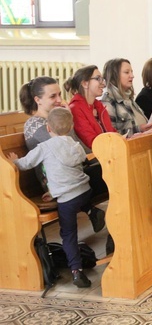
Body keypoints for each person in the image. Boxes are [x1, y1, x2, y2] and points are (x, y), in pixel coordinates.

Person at [9, 108, 101, 288]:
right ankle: (91, 210)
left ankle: (76, 271)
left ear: (48, 128)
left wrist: (13, 161)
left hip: (67, 198)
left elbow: (26, 164)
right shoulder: (75, 145)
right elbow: (81, 161)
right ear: (71, 126)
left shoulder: (44, 147)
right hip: (84, 190)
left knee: (68, 234)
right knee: (81, 198)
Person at [19, 76, 107, 235]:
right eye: (53, 96)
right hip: (58, 183)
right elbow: (67, 150)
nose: (59, 99)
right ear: (37, 99)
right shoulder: (35, 124)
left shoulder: (55, 119)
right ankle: (115, 233)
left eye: (60, 94)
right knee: (111, 172)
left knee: (111, 166)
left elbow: (81, 148)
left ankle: (115, 231)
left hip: (73, 176)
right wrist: (69, 120)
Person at [101, 58, 152, 137]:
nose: (132, 76)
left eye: (131, 72)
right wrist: (139, 129)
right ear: (114, 76)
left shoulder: (129, 98)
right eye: (127, 72)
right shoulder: (108, 103)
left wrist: (144, 128)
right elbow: (111, 136)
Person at [66, 65, 117, 149]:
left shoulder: (98, 106)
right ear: (85, 83)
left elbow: (111, 132)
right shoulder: (75, 108)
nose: (103, 84)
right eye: (98, 79)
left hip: (108, 152)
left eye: (102, 79)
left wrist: (125, 138)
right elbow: (91, 142)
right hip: (94, 158)